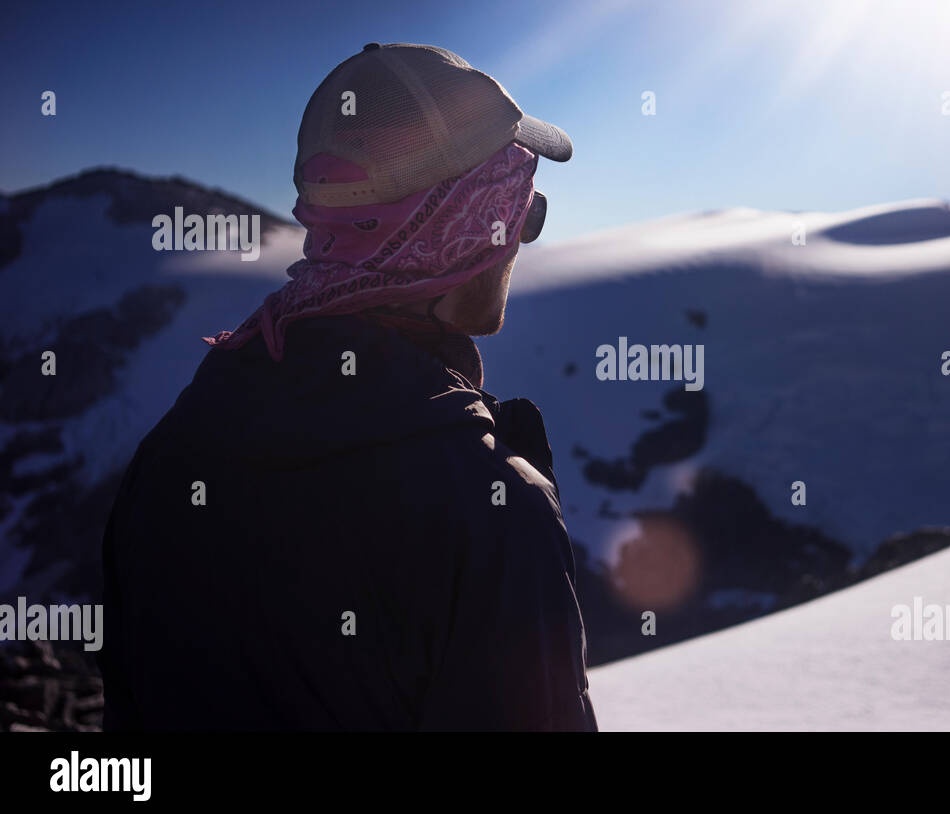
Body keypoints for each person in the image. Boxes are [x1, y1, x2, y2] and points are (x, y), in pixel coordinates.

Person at [99, 43, 597, 731]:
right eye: (522, 211)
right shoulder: (489, 508)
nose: (522, 240)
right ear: (465, 234)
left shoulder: (169, 455)